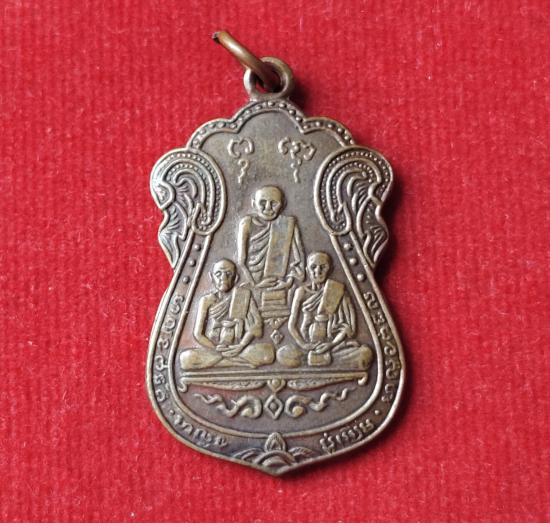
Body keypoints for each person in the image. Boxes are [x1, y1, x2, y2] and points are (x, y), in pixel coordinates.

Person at [277, 252, 373, 369]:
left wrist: (331, 344)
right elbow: (292, 325)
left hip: (333, 346)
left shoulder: (337, 289)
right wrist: (304, 344)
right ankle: (323, 360)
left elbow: (348, 328)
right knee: (282, 354)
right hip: (306, 347)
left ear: (330, 269)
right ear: (307, 270)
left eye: (323, 267)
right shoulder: (301, 292)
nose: (318, 271)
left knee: (365, 354)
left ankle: (319, 360)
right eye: (313, 267)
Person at [179, 259, 275, 369]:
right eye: (218, 274)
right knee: (186, 358)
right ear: (211, 277)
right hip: (214, 350)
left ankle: (225, 362)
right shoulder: (207, 301)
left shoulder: (243, 295)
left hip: (240, 348)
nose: (223, 278)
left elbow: (256, 326)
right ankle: (237, 363)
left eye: (228, 274)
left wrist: (241, 345)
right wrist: (216, 348)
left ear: (236, 278)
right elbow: (198, 334)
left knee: (268, 353)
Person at [237, 186, 305, 321]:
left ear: (283, 204)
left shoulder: (288, 224)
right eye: (262, 203)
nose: (268, 208)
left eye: (274, 203)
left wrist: (288, 282)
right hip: (253, 283)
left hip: (281, 286)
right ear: (253, 204)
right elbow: (241, 261)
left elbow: (298, 261)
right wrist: (255, 284)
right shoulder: (247, 223)